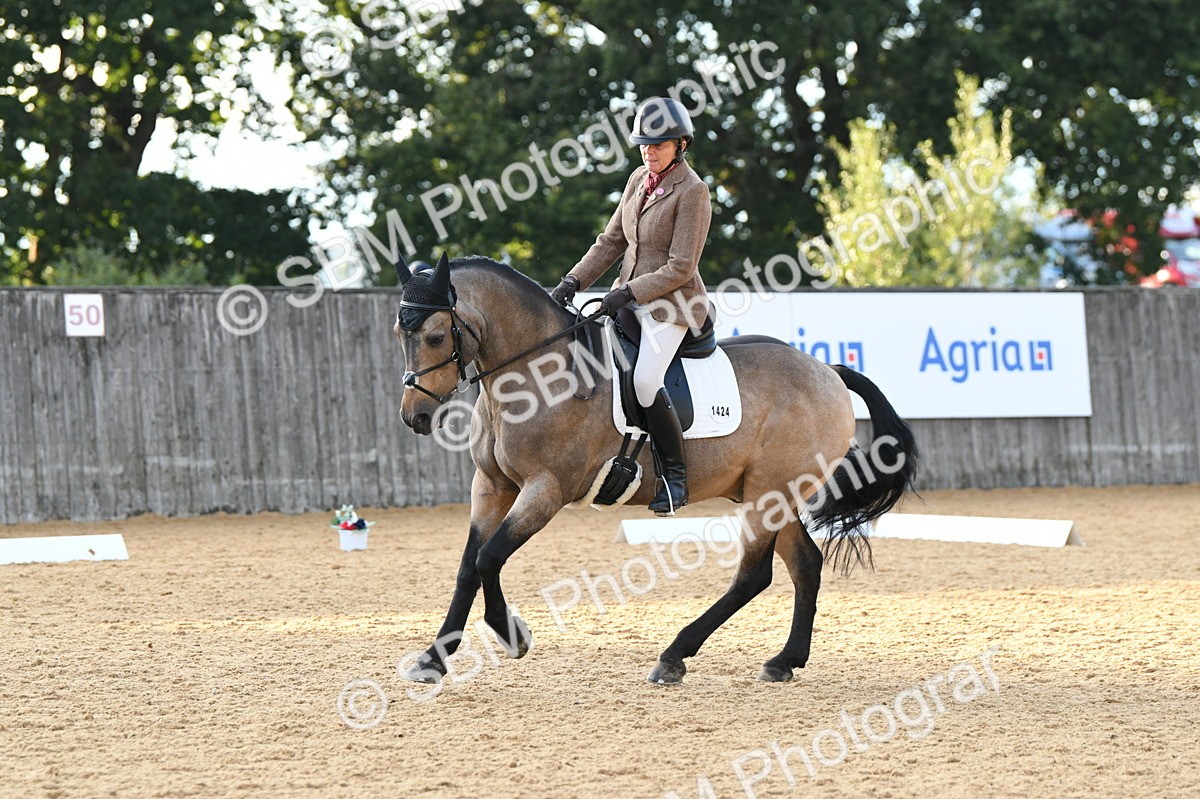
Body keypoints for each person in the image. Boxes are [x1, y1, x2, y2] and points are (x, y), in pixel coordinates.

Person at [549, 96, 713, 515]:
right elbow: (611, 242)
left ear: (680, 144)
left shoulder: (693, 192)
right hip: (628, 301)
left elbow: (680, 267)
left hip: (671, 307)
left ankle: (675, 479)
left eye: (658, 144)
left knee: (644, 381)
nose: (648, 150)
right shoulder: (638, 180)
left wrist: (628, 291)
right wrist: (572, 281)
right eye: (644, 143)